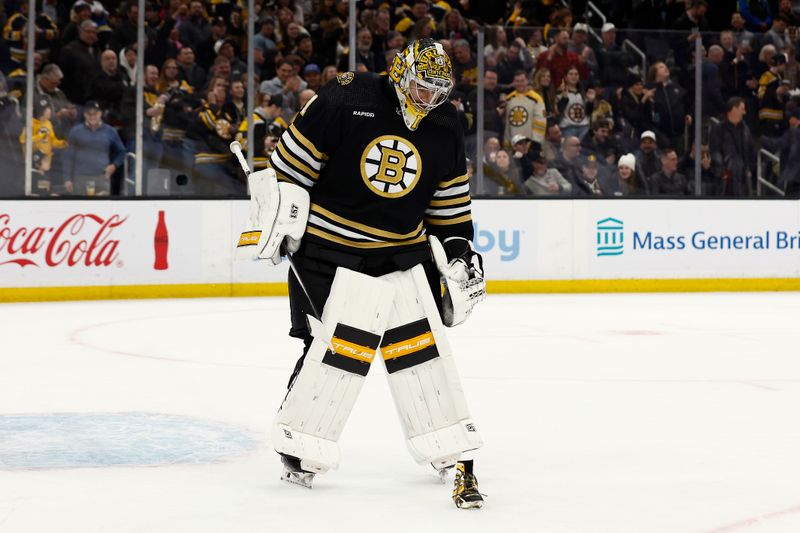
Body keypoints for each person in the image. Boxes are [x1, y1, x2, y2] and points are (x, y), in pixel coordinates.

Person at [251, 39, 485, 509]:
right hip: (324, 250)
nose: (429, 99)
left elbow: (450, 209)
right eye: (421, 87)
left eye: (438, 91)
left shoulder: (444, 122)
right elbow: (287, 169)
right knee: (328, 345)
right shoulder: (347, 95)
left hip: (401, 255)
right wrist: (278, 218)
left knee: (421, 351)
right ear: (400, 73)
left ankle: (442, 439)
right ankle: (300, 441)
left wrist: (460, 254)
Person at [62, 100, 126, 196]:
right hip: (80, 179)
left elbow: (122, 152)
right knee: (81, 209)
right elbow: (68, 157)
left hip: (102, 178)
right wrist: (67, 179)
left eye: (95, 114)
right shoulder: (75, 131)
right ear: (84, 114)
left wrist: (113, 166)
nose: (92, 117)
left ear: (100, 113)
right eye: (89, 114)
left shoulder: (110, 131)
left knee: (103, 210)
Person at [710, 97, 756, 196]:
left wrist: (749, 168)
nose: (744, 113)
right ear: (734, 109)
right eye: (742, 109)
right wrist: (722, 169)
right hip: (726, 177)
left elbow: (751, 150)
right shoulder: (719, 128)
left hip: (744, 176)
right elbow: (714, 151)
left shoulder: (745, 129)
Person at [503, 70, 546, 148]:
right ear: (514, 82)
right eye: (517, 81)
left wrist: (536, 142)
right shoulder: (509, 99)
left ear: (527, 81)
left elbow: (541, 122)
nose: (520, 84)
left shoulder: (536, 99)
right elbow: (507, 123)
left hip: (530, 144)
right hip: (513, 144)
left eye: (522, 81)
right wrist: (507, 142)